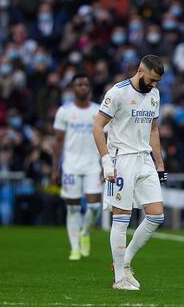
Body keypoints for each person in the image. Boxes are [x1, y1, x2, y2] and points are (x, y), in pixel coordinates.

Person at [93, 55, 167, 291]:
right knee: (121, 218)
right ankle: (119, 280)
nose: (154, 85)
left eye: (157, 81)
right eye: (152, 79)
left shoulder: (154, 94)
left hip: (145, 158)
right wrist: (106, 162)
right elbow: (97, 126)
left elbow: (153, 129)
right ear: (140, 71)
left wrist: (160, 163)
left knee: (156, 215)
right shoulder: (118, 93)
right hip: (121, 159)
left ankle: (124, 263)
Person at [51, 74, 102, 261]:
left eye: (85, 84)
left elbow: (106, 139)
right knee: (72, 208)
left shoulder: (98, 111)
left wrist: (107, 163)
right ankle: (74, 248)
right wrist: (55, 168)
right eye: (79, 84)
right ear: (72, 88)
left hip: (92, 164)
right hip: (71, 165)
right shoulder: (64, 111)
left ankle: (85, 233)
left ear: (89, 88)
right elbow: (57, 142)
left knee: (94, 205)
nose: (82, 87)